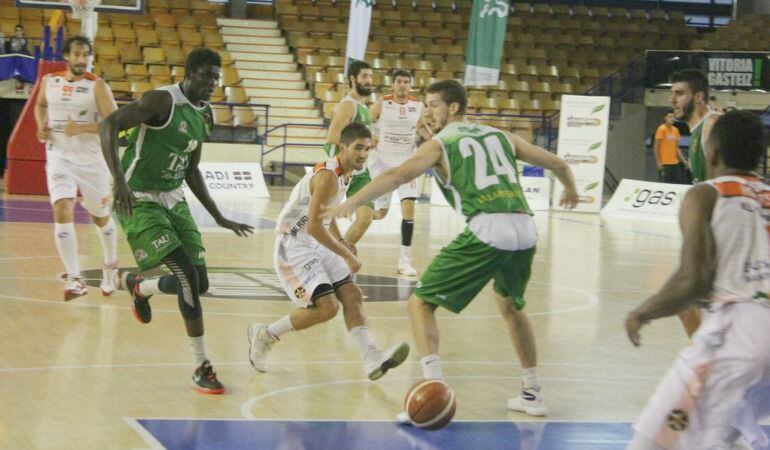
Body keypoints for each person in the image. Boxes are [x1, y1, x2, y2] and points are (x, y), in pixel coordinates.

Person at [328, 80, 579, 420]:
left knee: (420, 303)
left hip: (489, 228)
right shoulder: (501, 136)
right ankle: (532, 393)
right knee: (511, 307)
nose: (427, 112)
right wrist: (570, 190)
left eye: (433, 105)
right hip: (525, 230)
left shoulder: (442, 143)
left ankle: (435, 388)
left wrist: (355, 200)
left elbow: (399, 175)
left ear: (455, 108)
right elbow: (560, 164)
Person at [100, 48, 254, 394]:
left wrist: (218, 215)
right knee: (184, 275)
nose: (213, 83)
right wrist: (119, 180)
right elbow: (107, 124)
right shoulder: (160, 101)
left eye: (217, 77)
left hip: (174, 198)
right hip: (138, 198)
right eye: (206, 76)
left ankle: (140, 286)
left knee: (198, 284)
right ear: (188, 74)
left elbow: (192, 168)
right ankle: (201, 364)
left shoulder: (206, 114)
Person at [625, 110, 770, 450]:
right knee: (726, 432)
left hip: (737, 334)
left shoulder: (705, 194)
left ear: (712, 154)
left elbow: (694, 280)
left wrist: (643, 312)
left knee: (652, 441)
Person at [247, 122, 410, 380]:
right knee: (327, 308)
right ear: (342, 147)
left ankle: (371, 359)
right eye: (358, 148)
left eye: (367, 149)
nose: (363, 154)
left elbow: (326, 214)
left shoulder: (346, 173)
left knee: (352, 295)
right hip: (293, 245)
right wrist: (346, 254)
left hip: (314, 241)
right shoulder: (328, 177)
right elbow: (312, 225)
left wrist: (341, 241)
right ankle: (266, 334)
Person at [34, 36, 119, 301]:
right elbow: (40, 105)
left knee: (100, 217)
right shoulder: (50, 82)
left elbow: (116, 123)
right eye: (77, 54)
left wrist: (81, 128)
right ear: (67, 56)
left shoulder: (97, 86)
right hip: (60, 157)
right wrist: (40, 126)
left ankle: (110, 267)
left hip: (93, 163)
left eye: (86, 55)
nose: (82, 60)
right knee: (62, 206)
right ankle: (75, 278)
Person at [668, 68, 720, 337]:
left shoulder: (712, 126)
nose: (672, 99)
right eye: (671, 93)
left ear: (698, 97)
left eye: (679, 93)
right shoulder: (696, 130)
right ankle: (704, 361)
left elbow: (725, 184)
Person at [368, 69, 426, 276]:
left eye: (406, 81)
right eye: (399, 81)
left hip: (407, 164)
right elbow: (367, 122)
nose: (402, 84)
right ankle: (353, 217)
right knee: (380, 214)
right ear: (392, 85)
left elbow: (423, 129)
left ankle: (405, 260)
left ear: (410, 85)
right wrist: (370, 136)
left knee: (409, 209)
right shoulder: (382, 103)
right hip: (383, 163)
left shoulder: (418, 106)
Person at [322, 60, 377, 245]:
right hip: (341, 169)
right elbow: (332, 136)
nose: (369, 80)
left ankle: (340, 256)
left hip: (359, 171)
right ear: (353, 79)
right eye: (364, 76)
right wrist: (358, 146)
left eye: (370, 76)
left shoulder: (364, 108)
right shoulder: (349, 105)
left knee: (365, 217)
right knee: (324, 220)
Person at [653, 109, 686, 184]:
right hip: (665, 163)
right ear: (665, 118)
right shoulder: (662, 129)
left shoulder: (676, 130)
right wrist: (658, 162)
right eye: (670, 117)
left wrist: (684, 161)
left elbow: (677, 148)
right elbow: (656, 146)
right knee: (665, 184)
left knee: (678, 183)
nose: (672, 119)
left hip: (675, 163)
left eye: (673, 117)